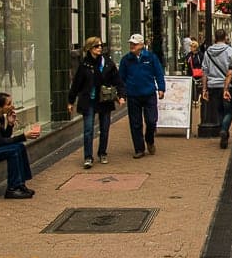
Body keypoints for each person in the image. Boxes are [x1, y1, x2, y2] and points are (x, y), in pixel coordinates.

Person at [68, 37, 125, 168]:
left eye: (101, 45)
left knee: (104, 129)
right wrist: (70, 101)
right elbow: (76, 84)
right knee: (88, 130)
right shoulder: (84, 65)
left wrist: (121, 95)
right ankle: (88, 157)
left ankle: (102, 152)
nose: (100, 48)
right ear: (89, 49)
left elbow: (118, 80)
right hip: (89, 102)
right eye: (96, 46)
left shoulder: (107, 63)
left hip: (104, 100)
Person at [119, 33, 165, 158]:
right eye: (131, 44)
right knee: (135, 123)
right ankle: (139, 149)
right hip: (133, 95)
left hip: (149, 93)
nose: (132, 46)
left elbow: (159, 73)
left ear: (141, 45)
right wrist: (122, 94)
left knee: (151, 120)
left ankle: (149, 139)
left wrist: (161, 88)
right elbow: (121, 79)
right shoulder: (126, 60)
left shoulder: (150, 58)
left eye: (134, 44)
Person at [201, 29, 232, 149]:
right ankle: (224, 129)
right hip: (227, 86)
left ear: (215, 37)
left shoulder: (208, 52)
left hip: (213, 85)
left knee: (219, 110)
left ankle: (223, 129)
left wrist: (204, 88)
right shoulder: (231, 51)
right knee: (229, 110)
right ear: (225, 37)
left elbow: (204, 71)